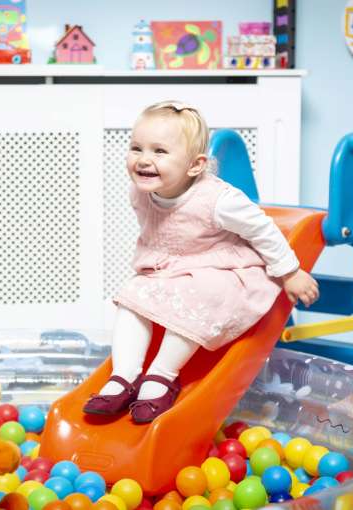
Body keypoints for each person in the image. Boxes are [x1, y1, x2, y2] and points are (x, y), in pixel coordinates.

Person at [84, 101, 319, 423]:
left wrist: (289, 272)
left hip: (220, 269)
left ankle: (162, 376)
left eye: (159, 151)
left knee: (202, 294)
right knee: (132, 296)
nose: (144, 159)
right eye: (136, 147)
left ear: (195, 166)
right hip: (173, 268)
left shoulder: (219, 200)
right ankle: (124, 375)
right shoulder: (139, 192)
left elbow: (264, 229)